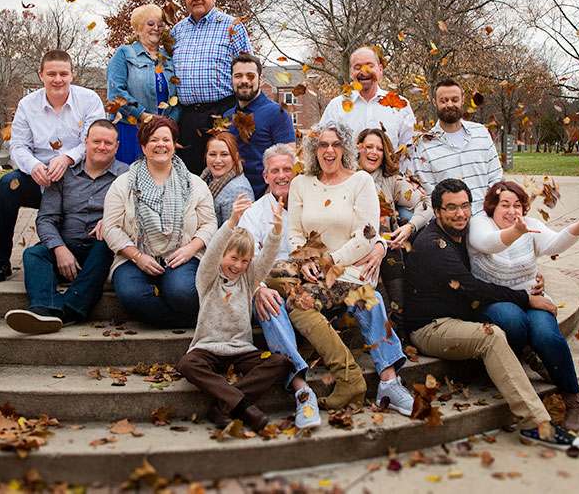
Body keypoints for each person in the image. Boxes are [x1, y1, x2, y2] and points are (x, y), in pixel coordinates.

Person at [404, 178, 579, 451]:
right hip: (433, 326)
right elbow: (472, 288)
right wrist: (527, 298)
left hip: (464, 316)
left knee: (539, 335)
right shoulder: (433, 244)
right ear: (437, 211)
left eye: (465, 206)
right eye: (451, 208)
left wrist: (531, 282)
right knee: (493, 336)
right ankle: (534, 424)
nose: (460, 213)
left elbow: (496, 256)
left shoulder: (464, 231)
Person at [469, 180, 579, 430]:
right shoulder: (480, 224)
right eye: (504, 205)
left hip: (533, 298)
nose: (511, 211)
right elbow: (489, 243)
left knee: (548, 336)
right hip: (494, 301)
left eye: (517, 205)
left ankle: (573, 398)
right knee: (513, 320)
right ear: (492, 207)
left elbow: (554, 243)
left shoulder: (532, 226)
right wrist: (518, 231)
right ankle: (522, 357)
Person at [282, 122, 414, 415]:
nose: (329, 151)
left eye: (336, 144)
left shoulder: (360, 181)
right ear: (314, 149)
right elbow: (294, 233)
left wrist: (331, 261)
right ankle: (378, 379)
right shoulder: (300, 183)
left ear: (346, 148)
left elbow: (367, 235)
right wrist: (306, 260)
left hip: (351, 269)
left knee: (369, 298)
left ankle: (389, 383)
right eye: (323, 145)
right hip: (314, 274)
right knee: (364, 300)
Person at [0, 50, 106, 283]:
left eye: (63, 73)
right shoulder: (27, 105)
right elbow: (18, 146)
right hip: (39, 176)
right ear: (41, 75)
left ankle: (64, 252)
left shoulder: (89, 100)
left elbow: (93, 140)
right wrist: (33, 167)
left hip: (77, 175)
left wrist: (68, 158)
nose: (57, 79)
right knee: (7, 185)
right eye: (51, 74)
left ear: (73, 74)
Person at [3, 120, 128, 334]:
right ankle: (44, 308)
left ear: (117, 146)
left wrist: (111, 220)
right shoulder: (64, 175)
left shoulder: (127, 177)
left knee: (106, 241)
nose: (102, 147)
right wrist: (59, 249)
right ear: (86, 143)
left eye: (108, 143)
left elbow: (136, 214)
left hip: (102, 250)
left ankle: (68, 309)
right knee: (34, 254)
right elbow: (46, 219)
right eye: (96, 141)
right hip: (67, 246)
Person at [177, 199, 291, 432]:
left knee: (279, 362)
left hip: (241, 350)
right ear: (222, 256)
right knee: (187, 364)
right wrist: (232, 221)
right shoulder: (207, 278)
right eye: (233, 258)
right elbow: (213, 252)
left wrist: (276, 232)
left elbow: (267, 259)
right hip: (208, 348)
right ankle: (243, 406)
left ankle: (224, 405)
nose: (238, 266)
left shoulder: (248, 279)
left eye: (244, 261)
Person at [237, 143, 326, 426]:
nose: (282, 175)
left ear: (297, 172)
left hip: (309, 286)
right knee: (269, 302)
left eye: (288, 169)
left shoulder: (312, 208)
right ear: (265, 176)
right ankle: (301, 388)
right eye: (275, 170)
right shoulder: (254, 213)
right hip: (272, 290)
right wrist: (257, 288)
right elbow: (245, 260)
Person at [102, 115, 216, 327]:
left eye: (166, 139)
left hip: (181, 255)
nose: (161, 145)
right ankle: (195, 321)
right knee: (131, 296)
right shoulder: (123, 184)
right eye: (154, 140)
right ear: (144, 147)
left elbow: (209, 224)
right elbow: (111, 228)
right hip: (134, 257)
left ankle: (168, 305)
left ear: (174, 145)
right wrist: (137, 257)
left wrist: (191, 249)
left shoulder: (194, 183)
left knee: (183, 294)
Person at [170, 0, 251, 174]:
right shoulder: (176, 32)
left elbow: (247, 69)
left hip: (223, 112)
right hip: (187, 116)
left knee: (223, 170)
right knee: (189, 172)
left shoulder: (232, 26)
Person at [356, 127, 433, 327]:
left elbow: (427, 202)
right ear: (358, 149)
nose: (373, 152)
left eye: (379, 149)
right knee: (382, 307)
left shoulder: (390, 180)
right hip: (357, 252)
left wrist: (410, 228)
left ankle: (400, 338)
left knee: (398, 308)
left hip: (389, 251)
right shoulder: (346, 177)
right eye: (368, 147)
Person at [411, 78, 502, 217]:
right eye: (444, 100)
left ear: (462, 100)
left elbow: (495, 176)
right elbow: (429, 192)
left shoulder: (481, 133)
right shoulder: (424, 144)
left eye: (454, 100)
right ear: (435, 102)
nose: (449, 104)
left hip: (485, 215)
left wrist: (490, 209)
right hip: (450, 220)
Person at [105, 4, 179, 164]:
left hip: (161, 134)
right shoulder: (124, 53)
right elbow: (116, 94)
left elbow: (178, 96)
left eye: (160, 25)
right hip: (131, 128)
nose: (156, 29)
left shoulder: (168, 58)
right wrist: (143, 116)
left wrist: (170, 122)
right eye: (150, 24)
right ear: (138, 28)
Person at [223, 52, 296, 198]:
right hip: (233, 198)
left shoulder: (277, 113)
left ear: (260, 79)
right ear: (231, 79)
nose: (244, 81)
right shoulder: (226, 117)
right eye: (238, 76)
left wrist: (267, 199)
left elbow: (289, 161)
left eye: (250, 76)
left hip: (266, 198)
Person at [319, 47, 416, 156]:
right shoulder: (336, 106)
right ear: (351, 73)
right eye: (357, 67)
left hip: (390, 173)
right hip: (350, 172)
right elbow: (322, 146)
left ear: (380, 70)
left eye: (370, 66)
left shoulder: (400, 105)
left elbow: (410, 151)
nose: (364, 71)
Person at [202, 132, 254, 226]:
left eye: (224, 154)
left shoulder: (238, 190)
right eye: (213, 154)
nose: (217, 160)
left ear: (235, 157)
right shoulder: (207, 179)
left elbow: (235, 234)